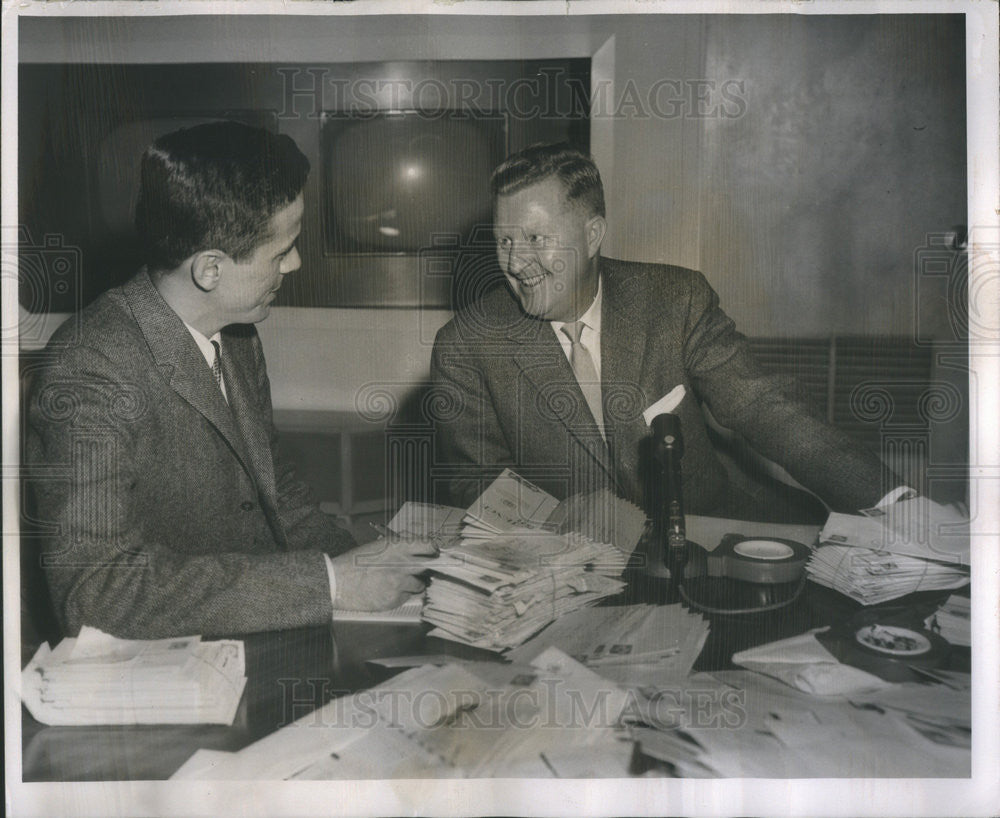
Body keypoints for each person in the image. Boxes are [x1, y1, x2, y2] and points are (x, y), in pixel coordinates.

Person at [25, 121, 435, 640]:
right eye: (282, 251)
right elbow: (97, 591)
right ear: (210, 270)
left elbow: (275, 492)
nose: (297, 262)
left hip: (254, 629)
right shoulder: (90, 368)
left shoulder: (235, 332)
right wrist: (332, 583)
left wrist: (366, 563)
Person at [431, 143, 900, 520]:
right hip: (568, 560)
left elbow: (764, 407)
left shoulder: (674, 299)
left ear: (593, 235)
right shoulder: (467, 345)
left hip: (709, 531)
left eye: (535, 238)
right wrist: (568, 537)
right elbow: (480, 482)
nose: (515, 262)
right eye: (504, 241)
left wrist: (892, 503)